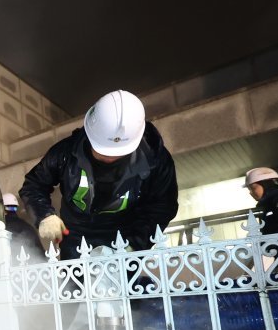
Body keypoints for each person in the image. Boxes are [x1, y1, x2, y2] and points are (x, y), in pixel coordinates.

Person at [19, 90, 178, 260]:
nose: (108, 158)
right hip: (75, 236)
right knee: (73, 287)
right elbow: (34, 185)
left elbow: (162, 207)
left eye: (117, 154)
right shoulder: (65, 153)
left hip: (124, 236)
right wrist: (44, 215)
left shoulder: (155, 161)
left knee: (122, 285)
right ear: (90, 134)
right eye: (102, 150)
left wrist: (136, 244)